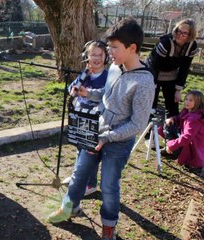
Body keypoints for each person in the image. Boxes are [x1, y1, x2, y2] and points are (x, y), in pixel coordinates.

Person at [48, 18, 155, 240]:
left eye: (114, 47)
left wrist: (107, 137)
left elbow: (137, 123)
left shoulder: (144, 82)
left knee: (108, 186)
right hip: (96, 132)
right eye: (109, 47)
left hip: (118, 142)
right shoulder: (115, 68)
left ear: (132, 48)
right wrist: (88, 93)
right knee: (79, 175)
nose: (109, 52)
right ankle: (69, 207)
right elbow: (107, 97)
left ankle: (108, 227)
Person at [63, 40, 109, 197]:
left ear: (106, 57)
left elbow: (105, 95)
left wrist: (87, 92)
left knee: (90, 151)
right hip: (80, 114)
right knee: (79, 147)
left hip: (96, 118)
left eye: (100, 55)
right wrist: (75, 88)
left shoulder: (108, 76)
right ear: (86, 56)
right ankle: (78, 177)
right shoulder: (85, 73)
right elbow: (72, 88)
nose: (96, 58)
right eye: (92, 54)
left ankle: (91, 183)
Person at [146, 19, 199, 118]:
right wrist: (152, 85)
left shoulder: (192, 46)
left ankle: (172, 130)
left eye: (184, 33)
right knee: (150, 103)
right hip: (153, 71)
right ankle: (148, 131)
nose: (180, 35)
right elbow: (155, 65)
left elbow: (184, 68)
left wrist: (178, 89)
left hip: (171, 73)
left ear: (191, 35)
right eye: (178, 31)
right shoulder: (165, 42)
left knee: (173, 106)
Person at [158, 90, 204, 170]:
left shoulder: (194, 119)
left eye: (191, 100)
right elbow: (180, 118)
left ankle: (172, 150)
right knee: (168, 123)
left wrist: (172, 145)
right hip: (184, 139)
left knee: (168, 129)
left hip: (190, 145)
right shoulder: (188, 111)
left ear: (198, 102)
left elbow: (187, 138)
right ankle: (170, 149)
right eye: (186, 99)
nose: (187, 102)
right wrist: (172, 119)